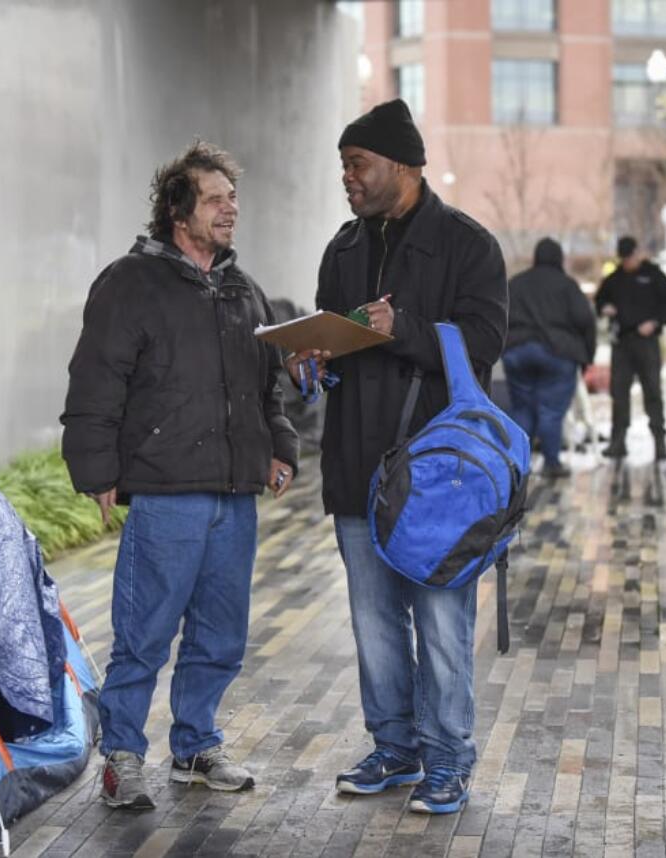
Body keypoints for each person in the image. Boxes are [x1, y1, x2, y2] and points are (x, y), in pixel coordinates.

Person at [61, 142, 298, 811]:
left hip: (234, 493)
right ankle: (124, 757)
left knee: (222, 634)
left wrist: (277, 446)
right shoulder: (128, 283)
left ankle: (195, 745)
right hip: (166, 492)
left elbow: (266, 385)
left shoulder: (242, 288)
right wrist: (96, 469)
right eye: (216, 199)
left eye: (233, 198)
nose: (231, 211)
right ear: (177, 209)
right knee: (144, 634)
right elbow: (95, 380)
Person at [287, 98, 507, 815]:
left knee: (443, 627)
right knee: (376, 625)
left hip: (437, 479)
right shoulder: (342, 250)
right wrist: (313, 361)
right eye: (343, 166)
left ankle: (447, 761)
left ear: (403, 166)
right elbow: (329, 344)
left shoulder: (468, 246)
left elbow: (482, 344)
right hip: (356, 468)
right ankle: (395, 747)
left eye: (358, 165)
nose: (346, 178)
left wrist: (403, 327)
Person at [502, 237, 597, 478]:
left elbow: (499, 316)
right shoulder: (567, 285)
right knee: (550, 411)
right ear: (559, 259)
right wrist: (587, 357)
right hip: (558, 353)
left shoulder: (517, 284)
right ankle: (551, 463)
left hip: (517, 351)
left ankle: (518, 465)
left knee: (522, 409)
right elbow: (586, 321)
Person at [594, 235, 666, 460]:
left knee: (652, 391)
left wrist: (655, 322)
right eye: (623, 259)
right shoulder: (614, 279)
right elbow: (599, 301)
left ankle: (660, 442)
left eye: (630, 258)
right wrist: (605, 308)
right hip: (622, 343)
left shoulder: (653, 276)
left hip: (647, 343)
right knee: (619, 393)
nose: (627, 263)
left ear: (637, 254)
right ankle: (618, 441)